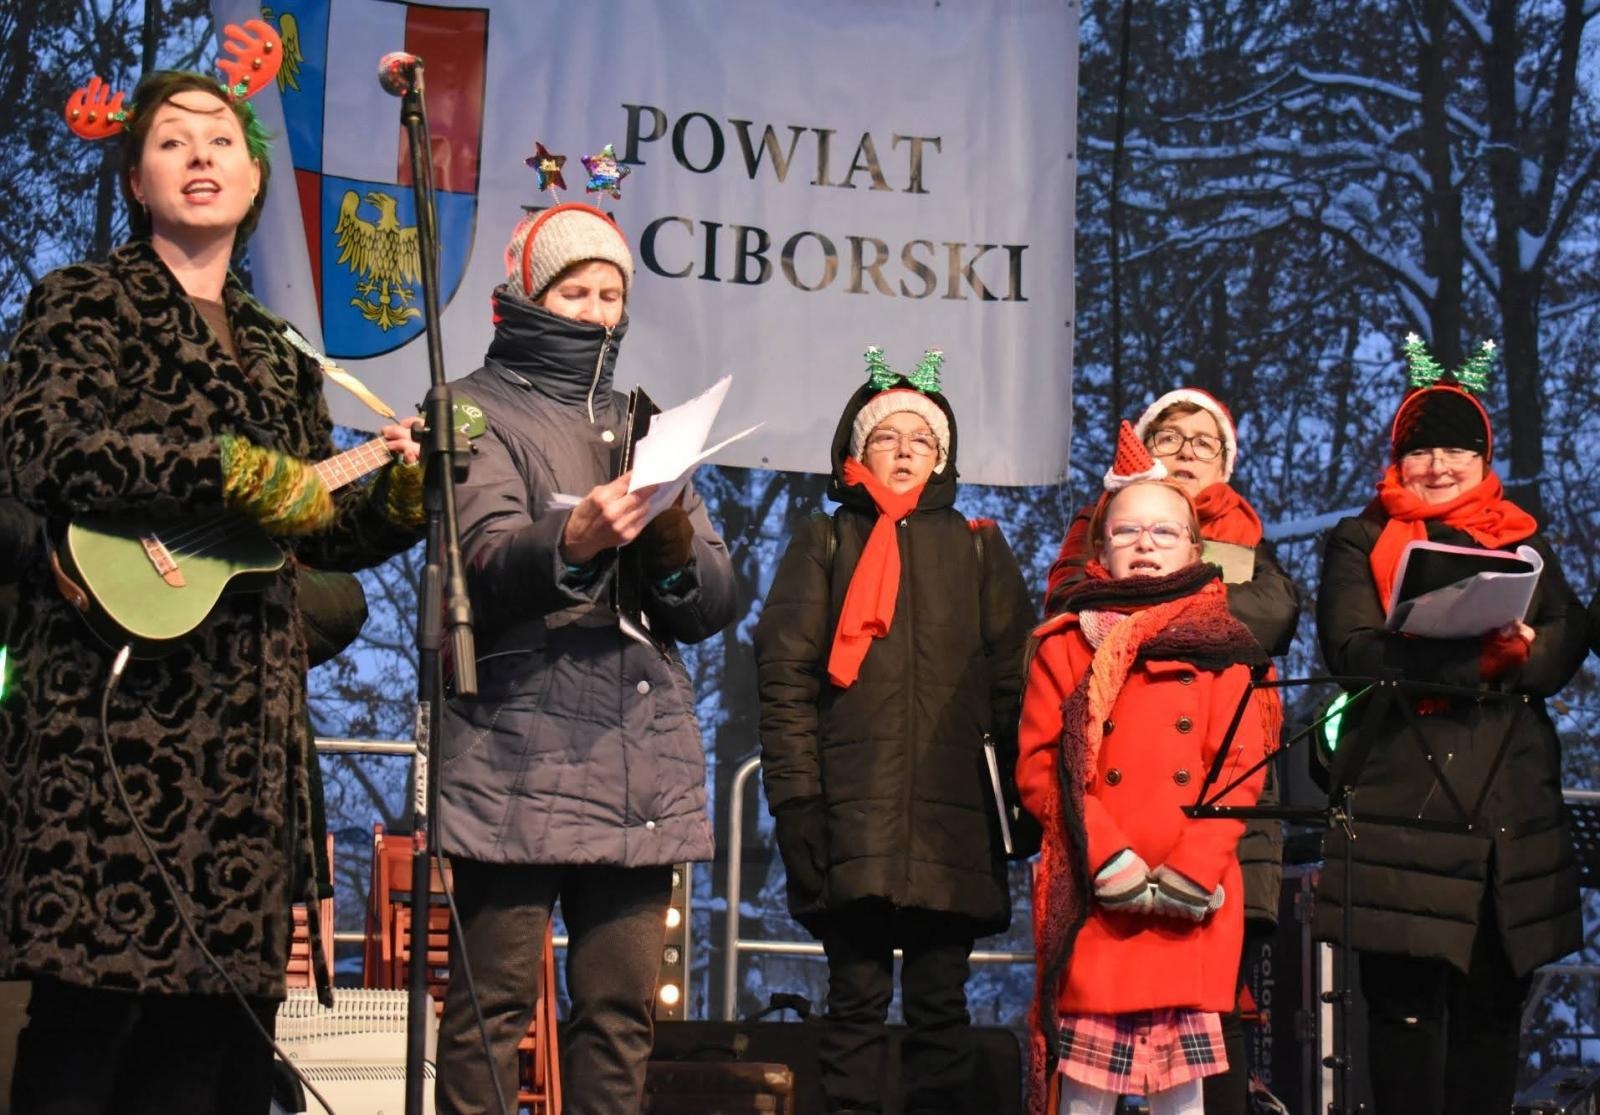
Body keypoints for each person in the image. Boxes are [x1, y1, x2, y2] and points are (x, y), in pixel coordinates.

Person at [0, 63, 425, 1114]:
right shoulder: (82, 302)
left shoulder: (282, 351)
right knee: (85, 1030)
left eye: (222, 140)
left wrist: (401, 492)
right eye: (173, 141)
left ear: (254, 177)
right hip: (110, 722)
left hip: (245, 749)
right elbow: (46, 448)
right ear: (136, 181)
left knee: (207, 1050)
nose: (200, 154)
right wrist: (225, 470)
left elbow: (310, 524)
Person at [434, 201, 737, 1115]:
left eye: (612, 293)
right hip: (516, 750)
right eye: (576, 291)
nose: (599, 310)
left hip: (640, 757)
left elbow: (711, 604)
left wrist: (672, 544)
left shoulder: (648, 422)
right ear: (529, 296)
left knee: (619, 1015)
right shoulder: (472, 408)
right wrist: (573, 537)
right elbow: (481, 562)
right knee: (491, 1009)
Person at [754, 348, 1036, 1115]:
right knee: (855, 1002)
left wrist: (1019, 799)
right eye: (887, 436)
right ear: (857, 451)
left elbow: (1016, 685)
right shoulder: (826, 539)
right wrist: (797, 803)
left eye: (922, 438)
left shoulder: (979, 546)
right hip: (853, 814)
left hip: (954, 820)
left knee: (942, 1006)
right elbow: (785, 680)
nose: (906, 449)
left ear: (943, 456)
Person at [1312, 342, 1588, 1115]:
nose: (1438, 465)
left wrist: (1524, 656)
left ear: (1483, 457)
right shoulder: (1361, 537)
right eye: (1421, 450)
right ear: (1398, 459)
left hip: (1509, 814)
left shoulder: (1524, 539)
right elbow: (1352, 651)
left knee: (1492, 1018)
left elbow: (1564, 637)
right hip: (1405, 804)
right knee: (1404, 1020)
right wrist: (1480, 659)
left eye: (1457, 449)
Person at [1044, 387, 1299, 1113]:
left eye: (1204, 442)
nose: (1186, 452)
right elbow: (1048, 756)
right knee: (1087, 1079)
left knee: (1203, 1065)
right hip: (1104, 866)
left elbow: (1240, 751)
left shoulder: (1239, 589)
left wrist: (1197, 862)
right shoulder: (1075, 617)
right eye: (1170, 437)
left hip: (1206, 860)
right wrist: (1107, 856)